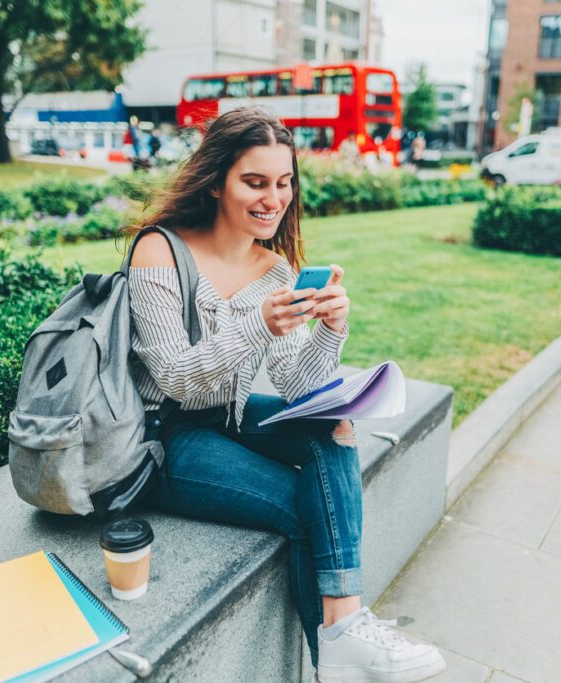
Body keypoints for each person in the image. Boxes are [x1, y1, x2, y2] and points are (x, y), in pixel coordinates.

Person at [124, 106, 447, 683]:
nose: (274, 198)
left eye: (283, 181)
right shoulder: (161, 251)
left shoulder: (275, 269)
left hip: (227, 414)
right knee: (306, 508)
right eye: (255, 182)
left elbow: (299, 383)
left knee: (334, 426)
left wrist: (331, 329)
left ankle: (344, 630)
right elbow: (173, 375)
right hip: (163, 436)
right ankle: (337, 658)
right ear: (218, 179)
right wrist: (256, 325)